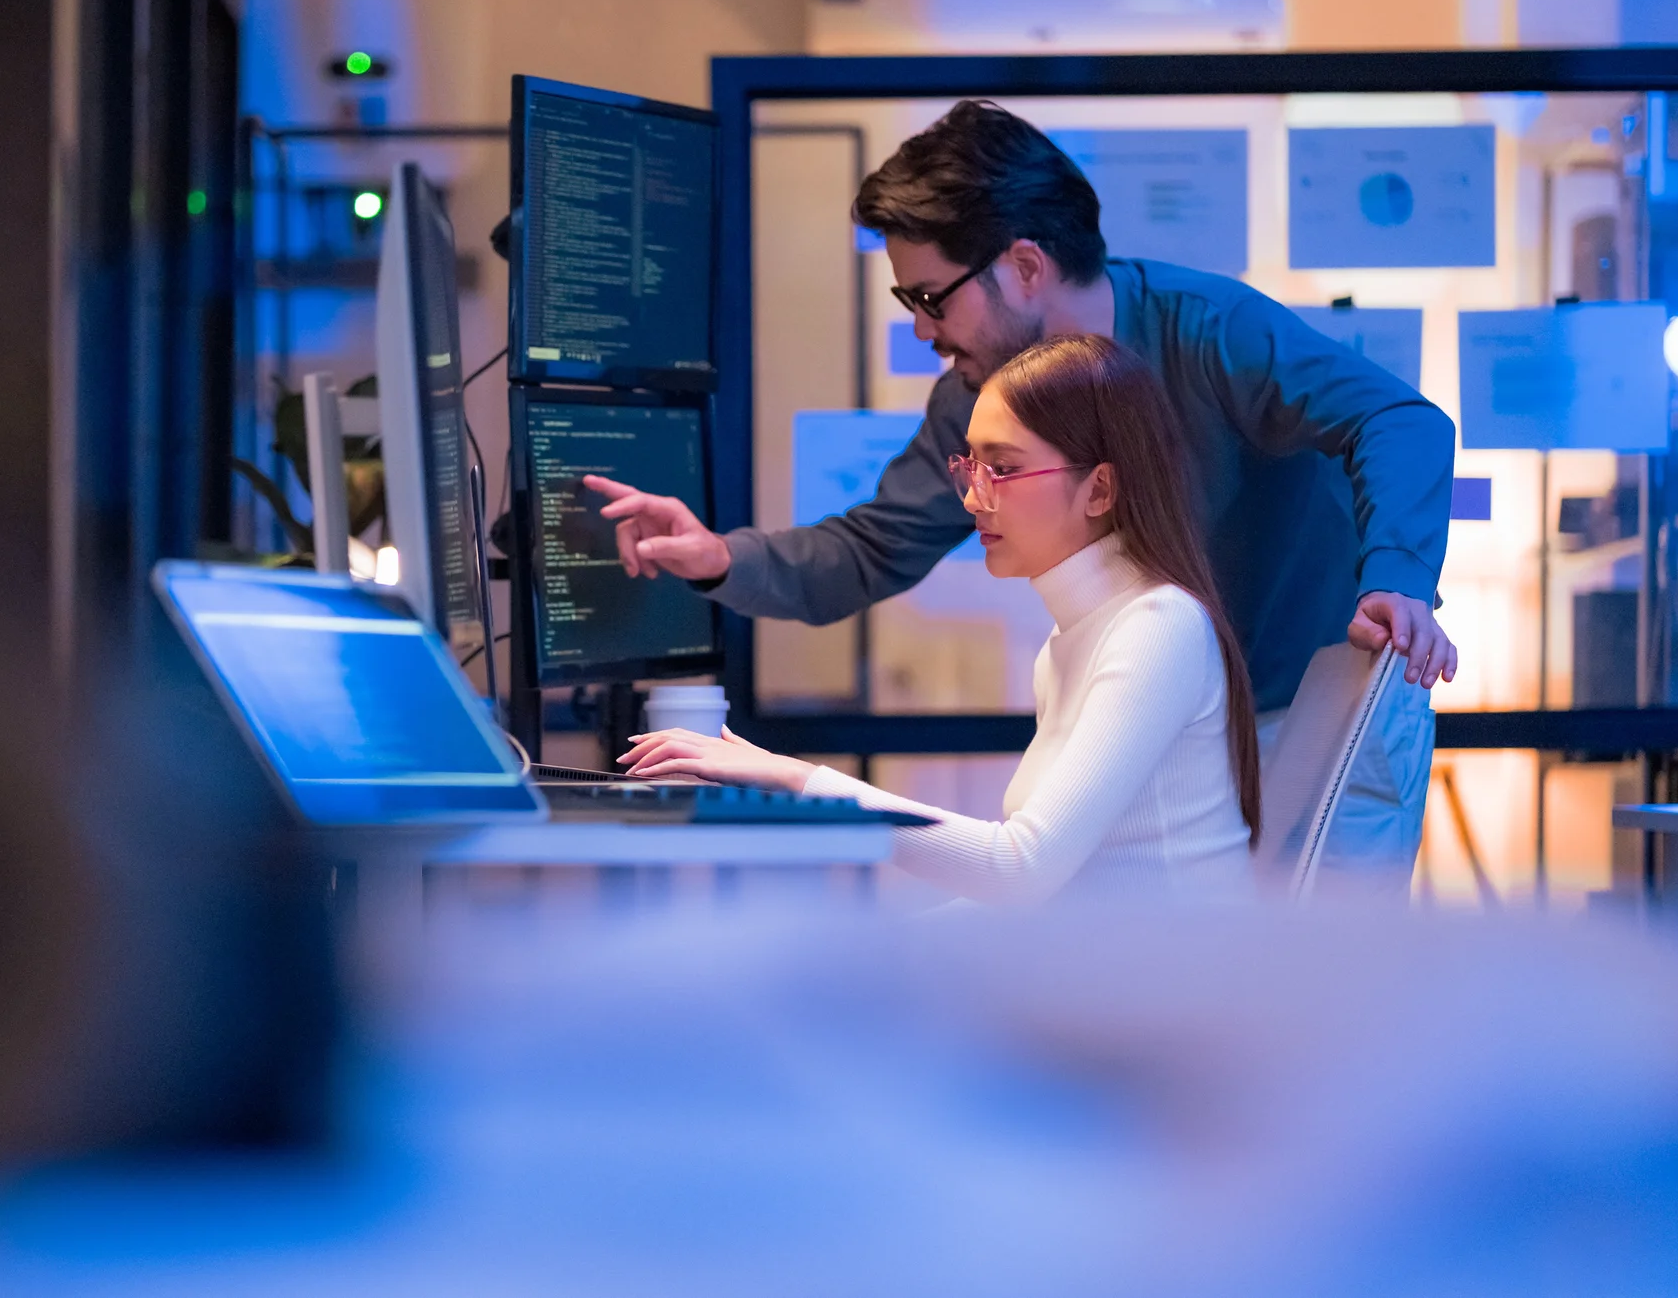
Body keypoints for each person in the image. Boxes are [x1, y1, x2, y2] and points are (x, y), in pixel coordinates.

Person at [584, 100, 1459, 895]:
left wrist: (1396, 580)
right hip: (1194, 729)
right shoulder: (982, 400)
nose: (921, 329)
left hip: (1309, 697)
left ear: (1026, 265)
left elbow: (1397, 420)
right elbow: (876, 544)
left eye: (930, 298)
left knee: (1308, 1001)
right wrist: (721, 556)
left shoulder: (1211, 333)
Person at [620, 336, 1256, 904]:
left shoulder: (1156, 627)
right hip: (1103, 983)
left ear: (1099, 490)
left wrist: (794, 777)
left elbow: (1018, 869)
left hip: (1164, 1008)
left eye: (1002, 468)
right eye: (970, 466)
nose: (975, 497)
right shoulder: (1077, 639)